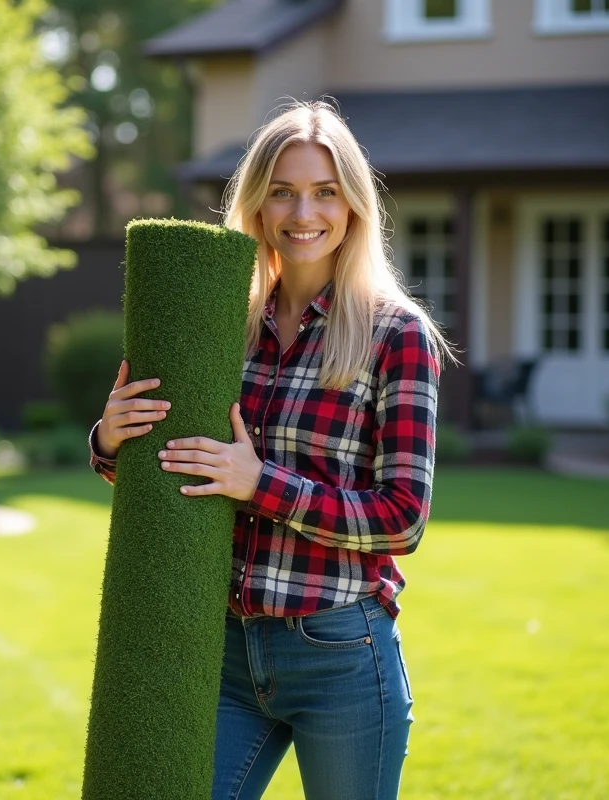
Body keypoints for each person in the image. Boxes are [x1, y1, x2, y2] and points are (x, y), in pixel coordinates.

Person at [87, 100, 452, 800]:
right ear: (256, 202)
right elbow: (180, 464)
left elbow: (402, 519)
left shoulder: (394, 334)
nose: (302, 212)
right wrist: (111, 438)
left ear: (353, 204)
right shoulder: (227, 322)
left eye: (324, 191)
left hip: (340, 653)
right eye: (282, 191)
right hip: (224, 650)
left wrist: (262, 484)